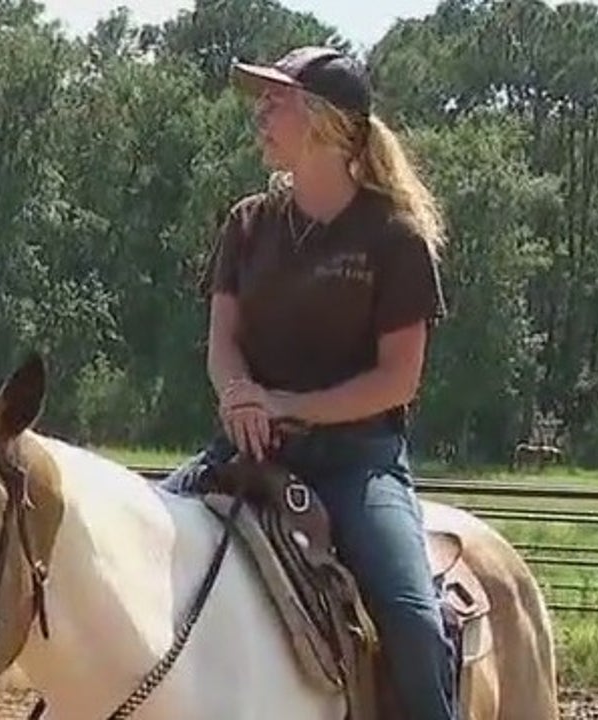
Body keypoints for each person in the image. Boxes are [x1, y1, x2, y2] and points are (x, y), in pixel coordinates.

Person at [159, 47, 456, 720]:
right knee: (129, 550)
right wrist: (237, 395)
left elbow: (396, 381)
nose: (259, 114)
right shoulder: (247, 224)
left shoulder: (393, 237)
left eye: (275, 101)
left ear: (323, 121)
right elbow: (223, 343)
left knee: (412, 620)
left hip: (355, 465)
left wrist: (286, 405)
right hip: (243, 453)